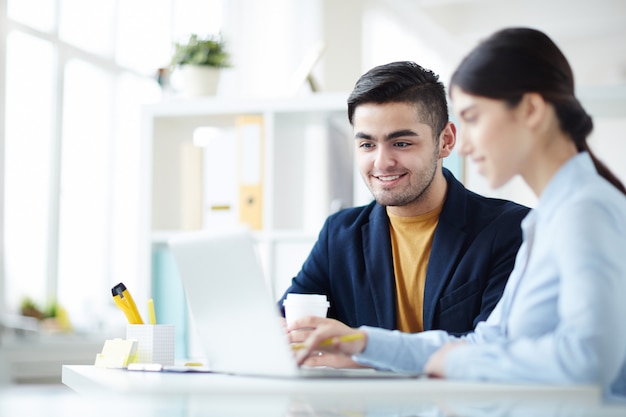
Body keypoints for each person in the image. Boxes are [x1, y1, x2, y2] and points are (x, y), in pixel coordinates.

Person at [288, 28, 626, 398]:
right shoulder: (549, 219)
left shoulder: (584, 210)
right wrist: (362, 342)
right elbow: (488, 342)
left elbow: (590, 359)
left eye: (474, 117)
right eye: (367, 143)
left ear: (531, 110)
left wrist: (450, 363)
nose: (463, 145)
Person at [278, 61, 529, 366]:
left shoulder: (511, 230)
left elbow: (494, 354)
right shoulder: (340, 233)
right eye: (367, 144)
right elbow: (290, 317)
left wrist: (358, 356)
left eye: (401, 143)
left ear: (446, 140)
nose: (382, 162)